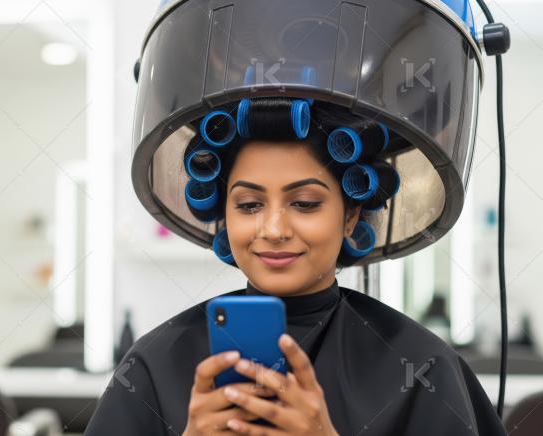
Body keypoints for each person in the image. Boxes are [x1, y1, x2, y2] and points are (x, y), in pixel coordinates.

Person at [84, 100, 506, 435]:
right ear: (225, 215)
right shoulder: (155, 366)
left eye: (304, 203)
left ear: (350, 216)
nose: (273, 229)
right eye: (249, 205)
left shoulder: (421, 369)